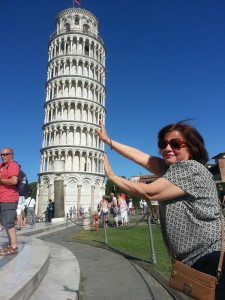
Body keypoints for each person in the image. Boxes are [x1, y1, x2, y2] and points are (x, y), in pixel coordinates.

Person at [96, 119, 225, 299]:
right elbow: (139, 156)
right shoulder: (171, 169)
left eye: (175, 144)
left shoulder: (191, 168)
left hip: (209, 256)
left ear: (191, 147)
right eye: (162, 144)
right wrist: (108, 141)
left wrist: (112, 176)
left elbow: (149, 192)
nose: (167, 148)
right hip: (194, 259)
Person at [0, 147, 20, 255]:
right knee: (5, 223)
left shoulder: (13, 165)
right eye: (1, 155)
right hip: (2, 198)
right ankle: (10, 244)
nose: (2, 156)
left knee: (9, 222)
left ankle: (14, 246)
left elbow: (13, 181)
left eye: (5, 154)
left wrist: (0, 180)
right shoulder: (2, 166)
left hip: (9, 198)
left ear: (11, 155)